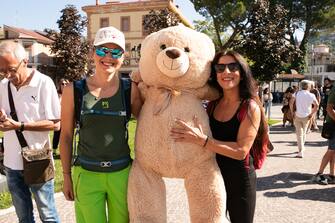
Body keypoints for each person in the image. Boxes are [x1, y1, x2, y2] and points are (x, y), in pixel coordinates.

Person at [171, 50, 268, 223]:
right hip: (213, 176)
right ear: (214, 74)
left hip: (240, 179)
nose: (226, 72)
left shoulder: (249, 107)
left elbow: (241, 151)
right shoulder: (213, 105)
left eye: (232, 67)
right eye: (220, 68)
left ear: (241, 72)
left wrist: (203, 141)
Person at [60, 26, 143, 223]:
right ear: (92, 53)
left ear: (123, 57)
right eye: (102, 50)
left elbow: (149, 123)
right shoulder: (74, 90)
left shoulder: (130, 89)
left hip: (121, 174)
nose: (108, 56)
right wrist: (66, 177)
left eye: (116, 52)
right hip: (87, 174)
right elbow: (65, 136)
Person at [0, 41, 60, 222]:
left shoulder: (43, 83)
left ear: (25, 61)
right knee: (23, 218)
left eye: (11, 69)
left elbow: (55, 124)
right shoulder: (3, 85)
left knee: (48, 216)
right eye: (2, 71)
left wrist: (20, 126)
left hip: (38, 161)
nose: (8, 75)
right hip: (11, 164)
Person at [311, 85, 335, 185]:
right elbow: (329, 108)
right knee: (331, 150)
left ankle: (331, 175)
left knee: (333, 151)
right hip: (333, 125)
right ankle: (319, 174)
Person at [290, 80, 318, 158]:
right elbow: (317, 105)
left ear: (301, 86)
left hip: (297, 115)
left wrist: (292, 112)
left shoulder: (296, 93)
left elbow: (291, 102)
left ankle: (301, 151)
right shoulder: (311, 95)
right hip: (307, 116)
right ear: (308, 86)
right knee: (304, 132)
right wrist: (312, 114)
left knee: (299, 134)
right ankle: (302, 148)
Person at [52, 78, 69, 155]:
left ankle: (65, 151)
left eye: (66, 84)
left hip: (67, 118)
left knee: (66, 136)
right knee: (57, 134)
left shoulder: (70, 94)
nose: (64, 85)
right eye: (62, 84)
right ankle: (54, 150)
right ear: (60, 85)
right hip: (59, 118)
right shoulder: (56, 95)